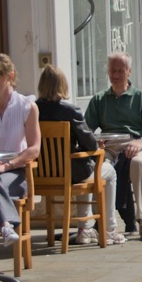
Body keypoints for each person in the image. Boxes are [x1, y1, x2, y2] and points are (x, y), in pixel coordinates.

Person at [36, 65, 126, 245]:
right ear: (62, 85)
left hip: (39, 174)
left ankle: (85, 229)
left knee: (87, 169)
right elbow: (89, 144)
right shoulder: (70, 111)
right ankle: (109, 229)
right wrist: (97, 147)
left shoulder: (32, 109)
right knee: (107, 172)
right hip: (70, 173)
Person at [0, 53, 41, 270]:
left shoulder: (26, 106)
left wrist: (8, 165)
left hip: (15, 171)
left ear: (10, 75)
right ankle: (6, 224)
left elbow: (34, 149)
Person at [85, 52, 142, 241]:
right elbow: (86, 130)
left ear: (129, 71)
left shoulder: (141, 97)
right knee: (99, 168)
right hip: (109, 147)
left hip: (136, 145)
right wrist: (94, 140)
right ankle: (101, 222)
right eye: (112, 70)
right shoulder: (99, 99)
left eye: (120, 70)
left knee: (140, 164)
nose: (116, 75)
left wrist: (141, 142)